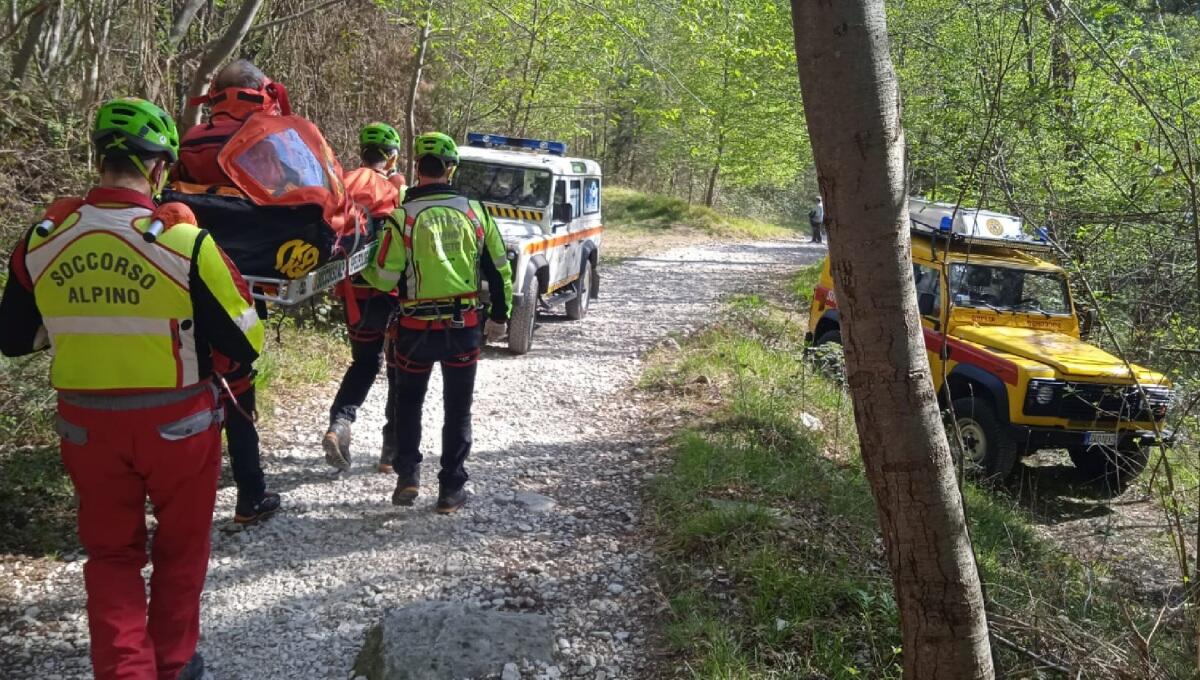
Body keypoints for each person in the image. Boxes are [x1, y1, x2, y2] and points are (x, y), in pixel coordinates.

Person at [0, 98, 264, 680]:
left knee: (111, 554)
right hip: (180, 425)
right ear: (157, 169)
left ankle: (124, 672)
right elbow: (247, 339)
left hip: (86, 425)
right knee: (181, 548)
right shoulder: (184, 242)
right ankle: (171, 664)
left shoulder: (42, 238)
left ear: (99, 160)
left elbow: (13, 338)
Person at [363, 132, 513, 513]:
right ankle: (450, 490)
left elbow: (382, 279)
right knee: (457, 410)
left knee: (409, 403)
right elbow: (499, 269)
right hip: (464, 328)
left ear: (416, 169)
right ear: (451, 168)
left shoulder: (401, 218)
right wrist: (500, 315)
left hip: (414, 330)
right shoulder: (475, 212)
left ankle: (408, 476)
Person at [172, 58, 285, 525]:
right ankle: (250, 495)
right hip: (243, 275)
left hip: (183, 270)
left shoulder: (188, 140)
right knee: (238, 384)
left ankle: (181, 498)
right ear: (262, 94)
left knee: (190, 383)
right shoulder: (268, 141)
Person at [324, 122, 408, 473]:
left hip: (352, 292)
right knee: (395, 368)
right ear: (390, 157)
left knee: (363, 363)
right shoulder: (392, 188)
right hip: (388, 294)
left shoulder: (341, 180)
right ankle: (390, 454)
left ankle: (340, 424)